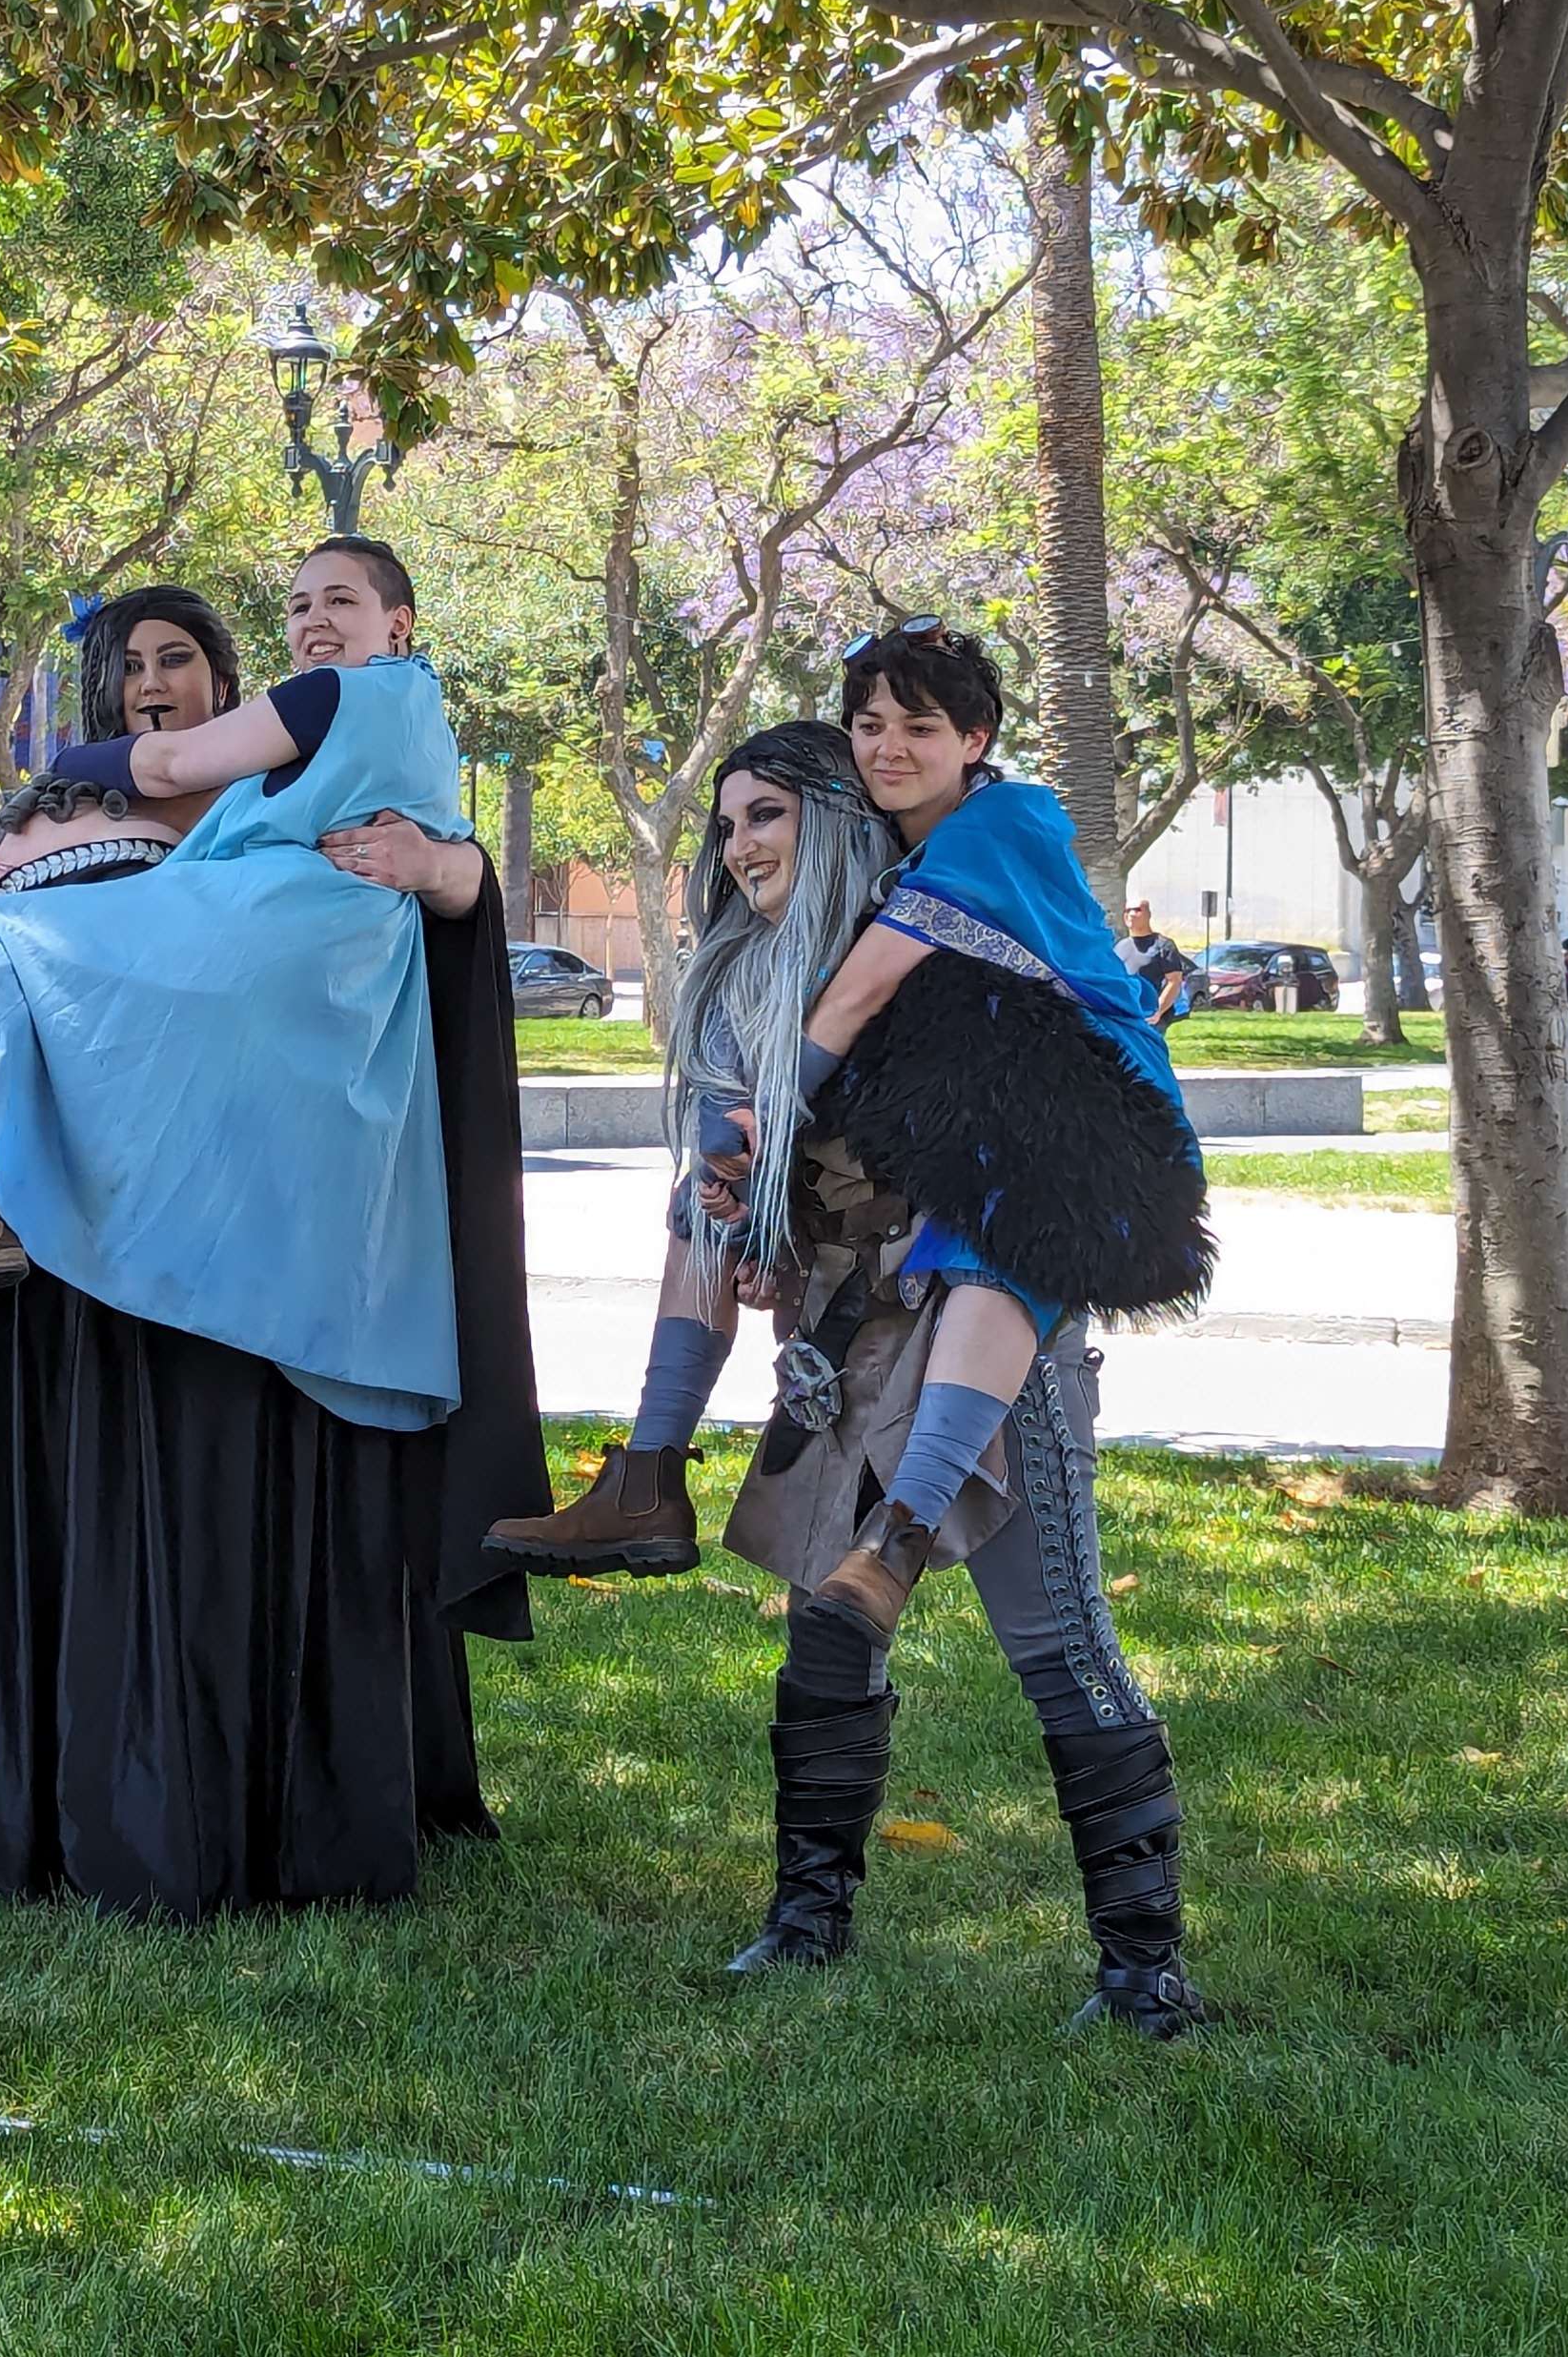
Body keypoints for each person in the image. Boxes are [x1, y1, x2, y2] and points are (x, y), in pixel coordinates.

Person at [0, 548, 553, 1916]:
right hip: (121, 1221)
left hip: (277, 1158)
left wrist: (450, 866)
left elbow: (395, 887)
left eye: (181, 661)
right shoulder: (104, 801)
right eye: (131, 669)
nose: (156, 686)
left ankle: (281, 1794)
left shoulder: (283, 768)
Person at [729, 622, 1212, 2033]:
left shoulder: (995, 838)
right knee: (827, 1623)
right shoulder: (860, 898)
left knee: (1057, 1637)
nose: (889, 747)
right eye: (869, 725)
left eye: (919, 726)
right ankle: (805, 1922)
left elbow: (875, 1005)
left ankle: (1145, 1978)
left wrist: (777, 1113)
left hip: (1043, 1230)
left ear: (977, 740)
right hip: (873, 1313)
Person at [481, 724, 901, 1574]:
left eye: (765, 817)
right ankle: (647, 1482)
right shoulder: (731, 970)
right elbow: (725, 1140)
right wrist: (744, 1211)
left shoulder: (899, 945)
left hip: (937, 1302)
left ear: (834, 818)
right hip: (826, 1292)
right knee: (828, 1575)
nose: (740, 846)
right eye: (727, 826)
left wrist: (769, 1205)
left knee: (1035, 1607)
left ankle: (648, 1481)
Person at [1115, 898, 1191, 1033]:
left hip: (1151, 1019)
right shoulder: (1120, 947)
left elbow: (1174, 981)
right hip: (1126, 1016)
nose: (1132, 914)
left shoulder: (1163, 945)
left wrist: (1158, 1012)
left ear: (1148, 915)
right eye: (1128, 910)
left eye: (1138, 910)